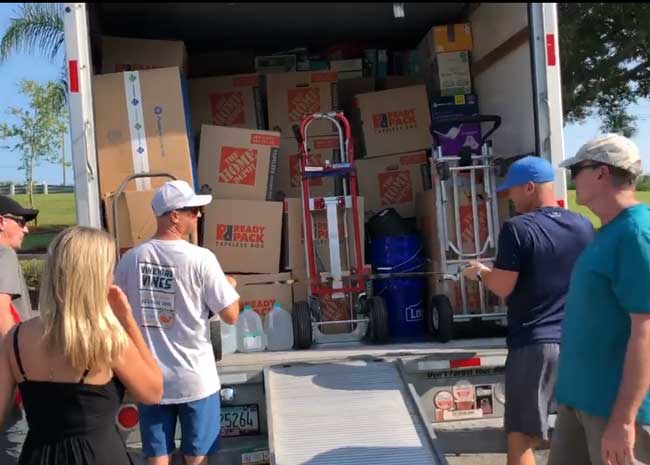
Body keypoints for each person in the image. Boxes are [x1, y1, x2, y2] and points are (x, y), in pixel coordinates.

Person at [462, 156, 594, 465]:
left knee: (521, 435)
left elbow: (504, 286)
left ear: (530, 187)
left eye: (512, 190)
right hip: (577, 344)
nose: (509, 196)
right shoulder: (583, 225)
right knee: (576, 435)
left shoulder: (517, 228)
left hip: (534, 345)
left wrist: (480, 271)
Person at [0, 225, 163, 465]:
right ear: (96, 275)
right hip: (98, 455)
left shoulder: (15, 338)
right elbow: (153, 391)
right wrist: (127, 320)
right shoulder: (105, 337)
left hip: (37, 455)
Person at [114, 180, 240, 465]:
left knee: (157, 455)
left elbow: (117, 312)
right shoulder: (201, 259)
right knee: (196, 456)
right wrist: (230, 286)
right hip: (195, 378)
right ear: (174, 215)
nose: (199, 215)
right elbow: (230, 315)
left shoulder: (130, 260)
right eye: (193, 210)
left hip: (151, 378)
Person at [548, 134, 650, 465]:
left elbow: (645, 333)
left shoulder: (636, 235)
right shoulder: (607, 232)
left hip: (613, 411)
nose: (573, 179)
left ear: (602, 172)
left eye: (577, 170)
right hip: (580, 403)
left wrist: (623, 421)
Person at [0, 195, 39, 464]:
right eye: (21, 221)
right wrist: (18, 374)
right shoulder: (3, 254)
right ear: (1, 222)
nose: (26, 228)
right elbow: (2, 314)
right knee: (17, 449)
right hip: (7, 380)